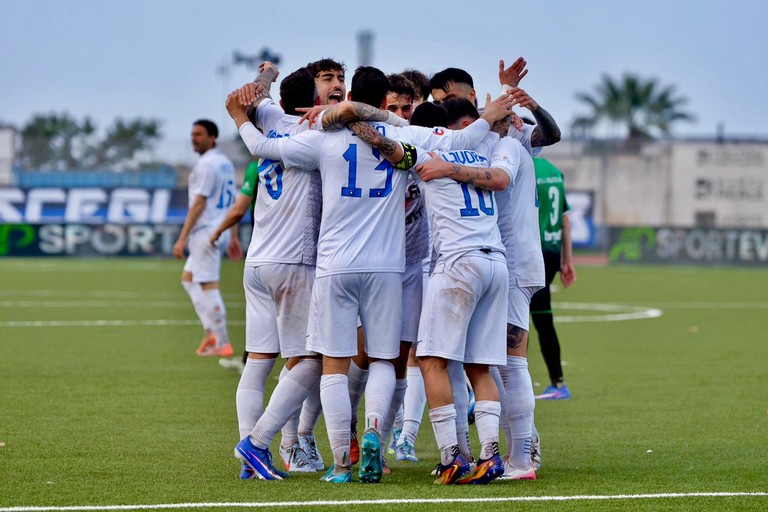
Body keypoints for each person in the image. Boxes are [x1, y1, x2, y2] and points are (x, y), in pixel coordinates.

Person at [230, 66, 514, 484]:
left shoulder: (322, 138)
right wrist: (491, 115)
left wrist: (241, 118)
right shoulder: (404, 137)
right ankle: (377, 432)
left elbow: (264, 149)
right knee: (385, 360)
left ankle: (341, 462)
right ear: (384, 101)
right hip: (387, 266)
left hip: (332, 265)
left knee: (331, 365)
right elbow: (458, 140)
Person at [409, 98, 515, 485]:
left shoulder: (423, 147)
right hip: (495, 260)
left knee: (430, 360)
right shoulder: (479, 152)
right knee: (479, 365)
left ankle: (452, 457)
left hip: (458, 262)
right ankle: (491, 457)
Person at [173, 119, 236, 357]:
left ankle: (222, 341)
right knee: (188, 278)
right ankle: (211, 331)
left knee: (208, 286)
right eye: (192, 134)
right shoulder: (224, 163)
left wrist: (182, 238)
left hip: (206, 233)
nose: (194, 139)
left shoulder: (206, 165)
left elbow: (198, 203)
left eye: (199, 134)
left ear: (212, 137)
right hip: (219, 229)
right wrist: (233, 234)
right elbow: (232, 200)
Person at [530, 157, 576, 400]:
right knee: (543, 316)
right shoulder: (554, 170)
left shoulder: (521, 166)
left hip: (530, 250)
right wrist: (566, 261)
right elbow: (565, 219)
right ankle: (558, 383)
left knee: (514, 321)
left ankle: (512, 385)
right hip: (552, 252)